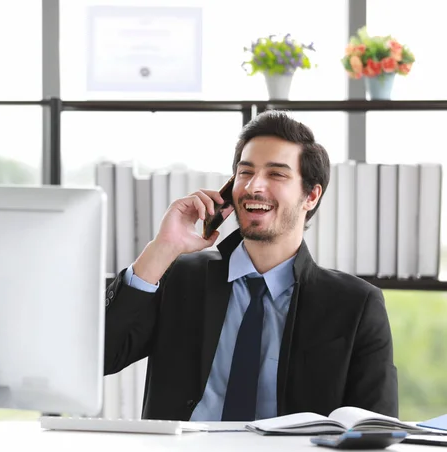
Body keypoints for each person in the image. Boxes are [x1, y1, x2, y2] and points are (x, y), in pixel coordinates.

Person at [103, 110, 398, 422]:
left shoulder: (355, 305)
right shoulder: (181, 277)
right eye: (246, 172)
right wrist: (162, 249)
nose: (255, 187)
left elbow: (374, 429)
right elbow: (100, 357)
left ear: (311, 195)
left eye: (276, 174)